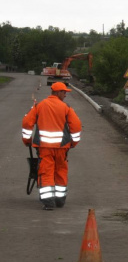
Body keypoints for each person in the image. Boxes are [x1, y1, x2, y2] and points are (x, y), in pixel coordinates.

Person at [22, 82, 82, 210]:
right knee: (61, 171)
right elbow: (76, 126)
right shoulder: (66, 107)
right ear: (57, 92)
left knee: (46, 171)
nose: (65, 95)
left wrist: (26, 140)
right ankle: (60, 200)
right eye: (64, 92)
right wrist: (73, 143)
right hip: (62, 148)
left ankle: (48, 202)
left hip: (44, 148)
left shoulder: (39, 106)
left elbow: (27, 123)